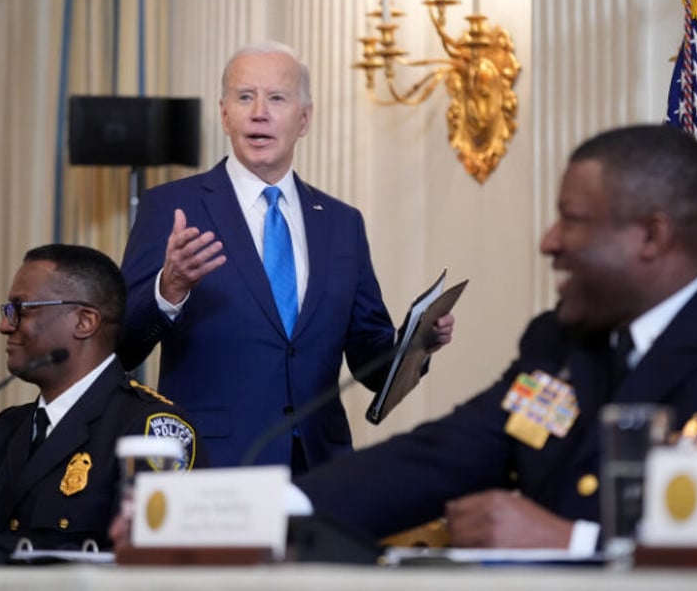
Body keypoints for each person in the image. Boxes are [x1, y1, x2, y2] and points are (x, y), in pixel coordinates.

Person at [294, 124, 697, 553]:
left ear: (651, 235)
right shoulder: (559, 345)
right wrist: (272, 508)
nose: (549, 242)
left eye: (572, 219)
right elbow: (441, 457)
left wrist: (578, 543)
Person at [118, 41, 454, 474]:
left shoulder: (341, 223)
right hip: (210, 465)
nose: (260, 112)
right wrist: (169, 289)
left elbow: (370, 359)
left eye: (277, 98)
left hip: (318, 465)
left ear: (304, 119)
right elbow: (121, 346)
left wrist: (416, 344)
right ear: (224, 114)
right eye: (245, 97)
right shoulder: (172, 207)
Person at [0, 244, 205, 551]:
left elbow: (161, 563)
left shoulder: (149, 429)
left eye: (21, 309)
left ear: (84, 322)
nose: (5, 326)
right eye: (7, 311)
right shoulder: (11, 426)